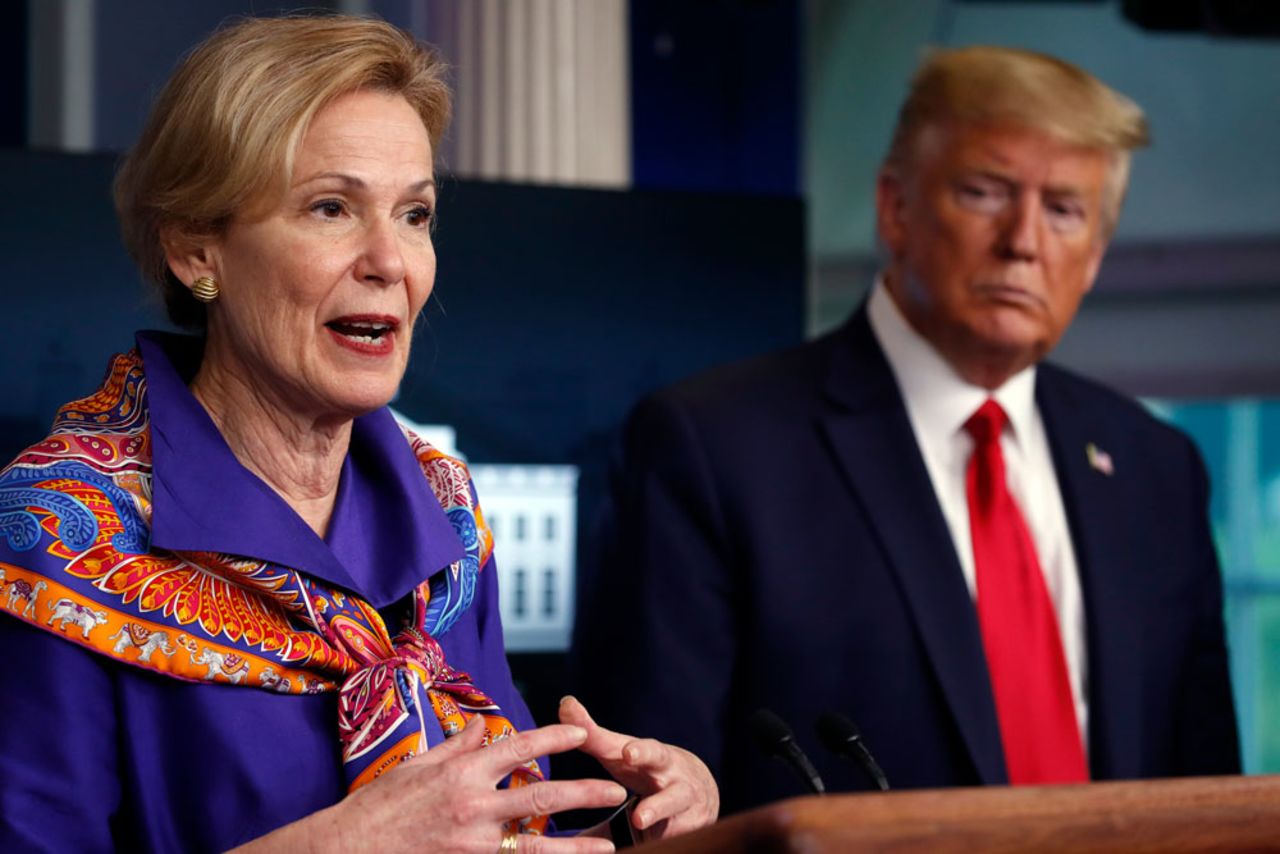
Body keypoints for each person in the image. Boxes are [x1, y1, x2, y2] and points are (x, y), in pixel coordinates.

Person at [0, 15, 716, 852]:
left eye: (415, 215)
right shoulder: (51, 532)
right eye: (332, 208)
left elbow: (492, 827)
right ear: (198, 250)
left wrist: (629, 813)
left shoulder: (446, 510)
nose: (390, 260)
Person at [572, 45, 1240, 813]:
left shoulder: (1156, 466)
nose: (1023, 241)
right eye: (985, 193)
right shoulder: (712, 446)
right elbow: (646, 793)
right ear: (896, 207)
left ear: (1093, 257)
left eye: (1064, 210)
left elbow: (1210, 789)